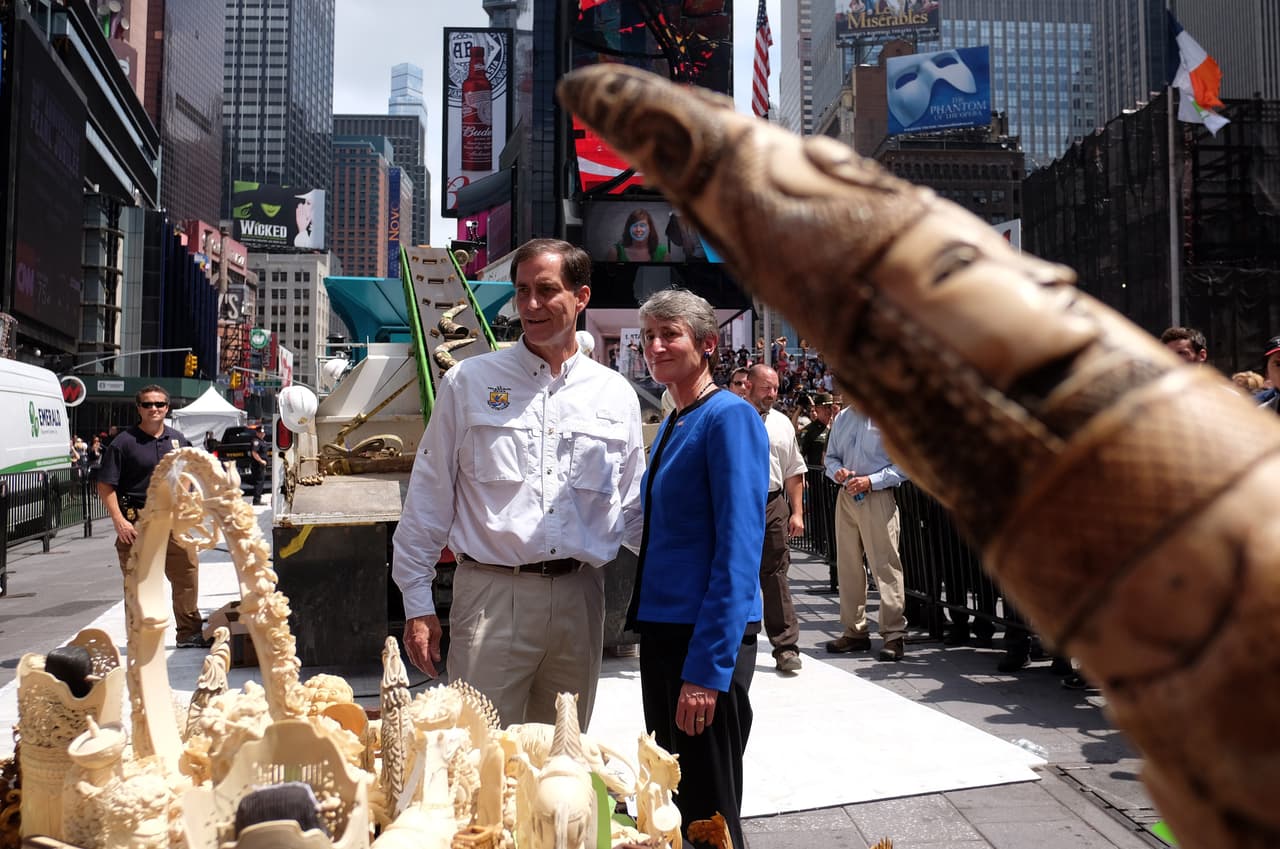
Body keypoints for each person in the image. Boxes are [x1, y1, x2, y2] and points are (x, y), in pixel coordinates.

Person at [392, 238, 645, 730]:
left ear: (581, 296)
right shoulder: (468, 383)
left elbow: (634, 507)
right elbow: (428, 495)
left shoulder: (615, 395)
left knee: (564, 763)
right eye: (522, 290)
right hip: (490, 599)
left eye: (546, 290)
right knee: (476, 756)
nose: (530, 304)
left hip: (581, 599)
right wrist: (417, 605)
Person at [628, 288, 767, 849]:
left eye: (670, 335)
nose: (656, 346)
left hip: (703, 642)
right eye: (648, 337)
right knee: (674, 797)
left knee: (708, 809)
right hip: (665, 633)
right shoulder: (675, 419)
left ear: (708, 344)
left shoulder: (729, 417)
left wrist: (708, 669)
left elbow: (738, 548)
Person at [96, 385, 209, 648]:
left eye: (159, 404)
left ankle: (189, 633)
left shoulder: (177, 439)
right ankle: (141, 638)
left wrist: (187, 498)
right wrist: (119, 521)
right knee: (139, 582)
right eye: (148, 405)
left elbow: (189, 473)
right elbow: (105, 485)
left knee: (187, 573)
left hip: (172, 520)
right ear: (139, 409)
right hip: (137, 521)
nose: (154, 409)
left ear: (167, 408)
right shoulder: (124, 443)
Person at [823, 402, 910, 661]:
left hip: (877, 496)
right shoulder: (843, 418)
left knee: (885, 565)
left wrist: (871, 481)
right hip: (847, 495)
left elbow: (904, 465)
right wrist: (836, 472)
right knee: (848, 565)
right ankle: (854, 630)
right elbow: (830, 457)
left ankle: (894, 635)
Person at [745, 364, 807, 672]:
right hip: (735, 504)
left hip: (772, 504)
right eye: (766, 388)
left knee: (775, 574)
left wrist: (797, 512)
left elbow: (794, 470)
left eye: (776, 387)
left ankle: (785, 647)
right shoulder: (731, 416)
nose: (773, 393)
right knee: (730, 572)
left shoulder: (782, 423)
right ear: (749, 386)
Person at [247, 423, 268, 506]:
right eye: (261, 433)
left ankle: (257, 498)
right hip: (258, 465)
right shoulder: (256, 441)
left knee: (260, 482)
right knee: (259, 482)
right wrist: (261, 461)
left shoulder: (261, 441)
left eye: (263, 433)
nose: (262, 434)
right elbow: (254, 452)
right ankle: (256, 500)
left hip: (261, 465)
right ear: (257, 433)